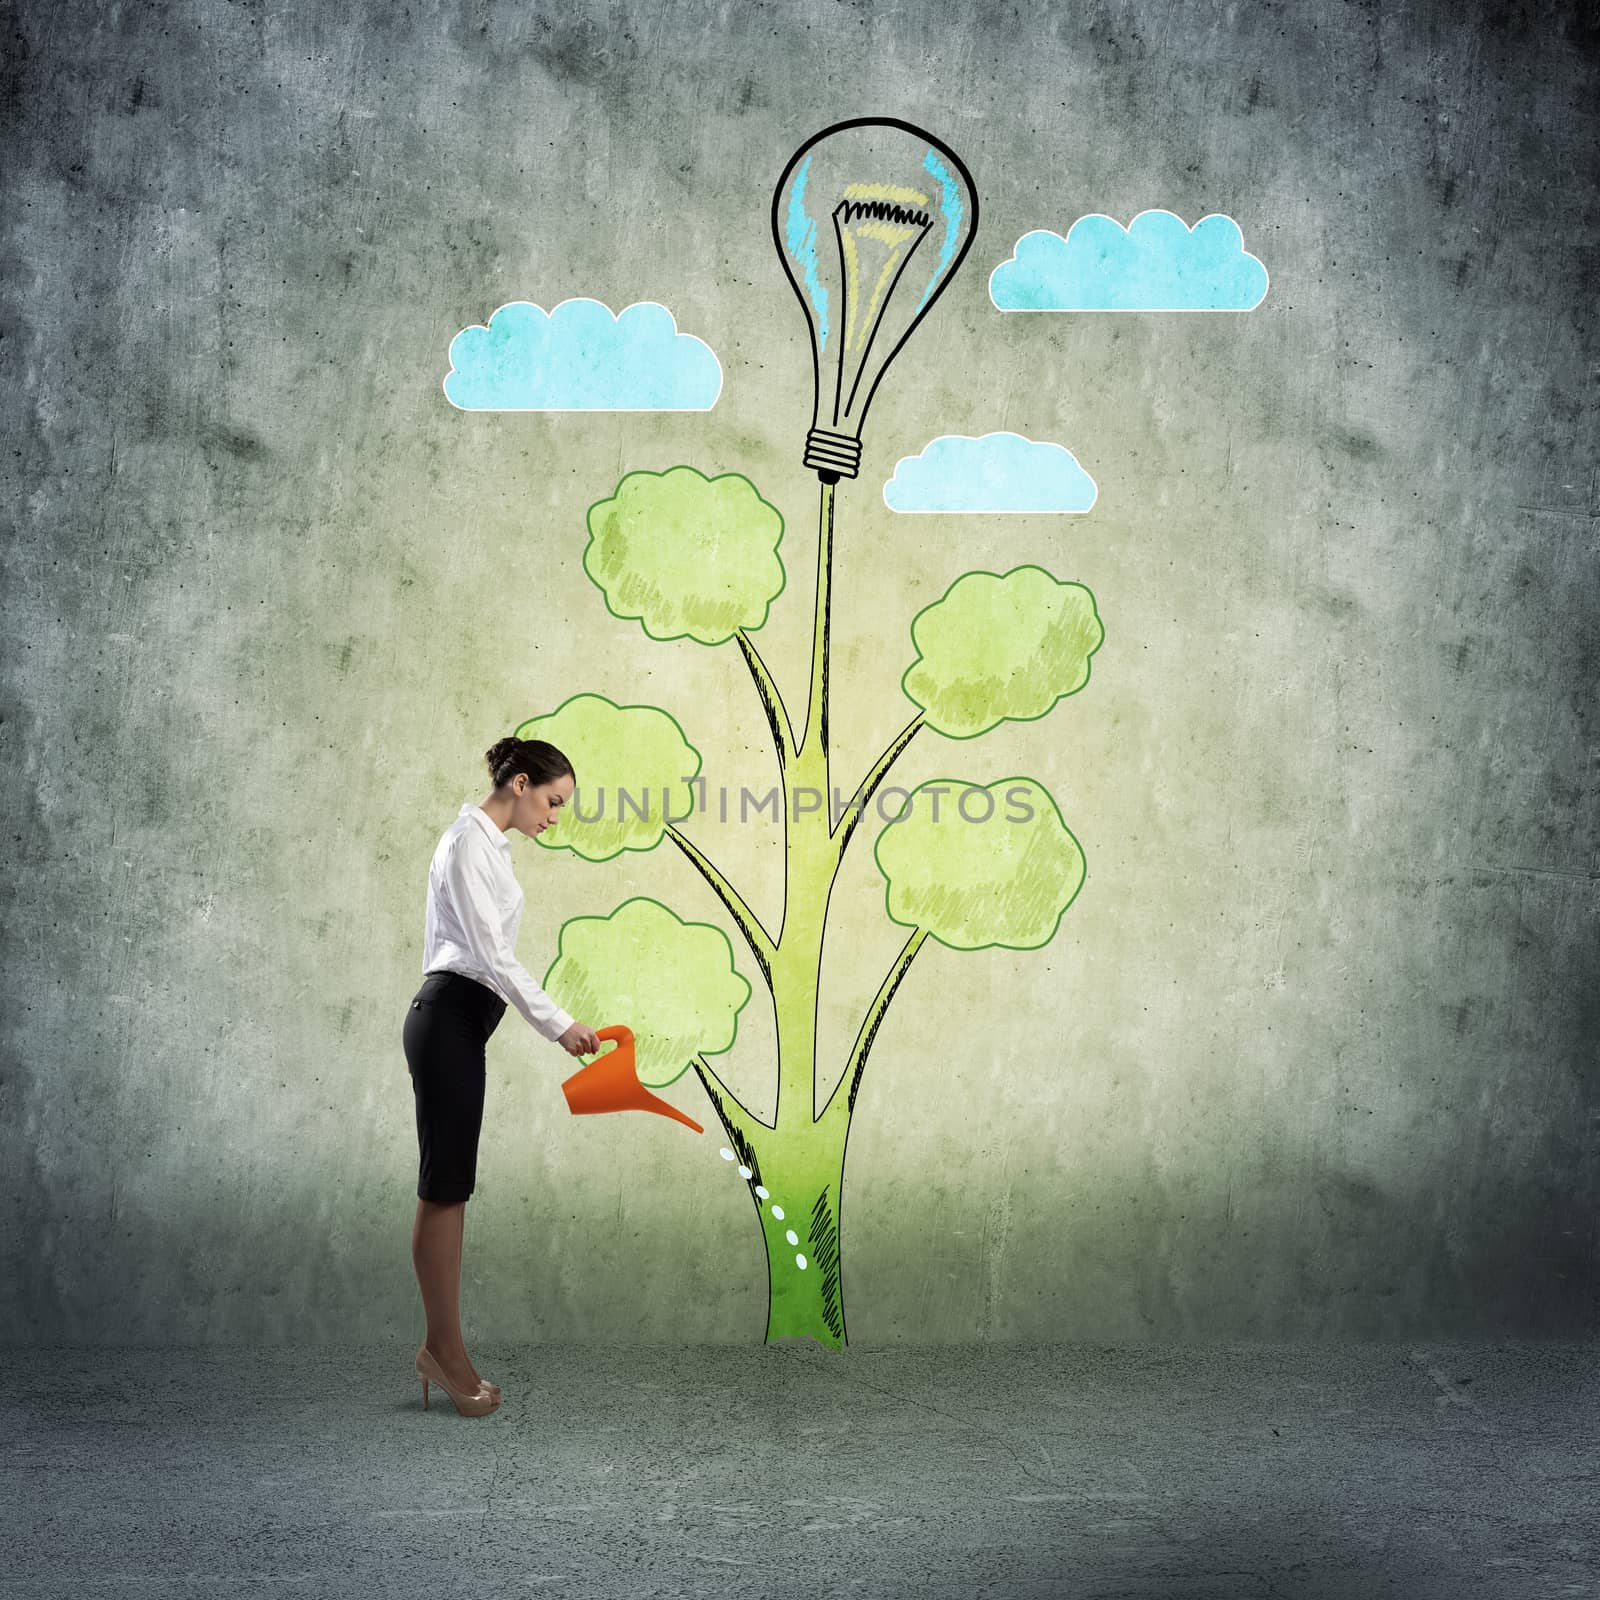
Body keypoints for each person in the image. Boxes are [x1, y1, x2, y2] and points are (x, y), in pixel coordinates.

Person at [403, 735, 603, 1417]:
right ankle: (445, 1354)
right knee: (444, 1188)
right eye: (552, 800)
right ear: (519, 783)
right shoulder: (466, 843)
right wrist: (560, 1023)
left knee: (451, 1186)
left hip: (463, 1023)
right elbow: (489, 953)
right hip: (448, 1019)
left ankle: (444, 1350)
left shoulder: (490, 847)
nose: (555, 816)